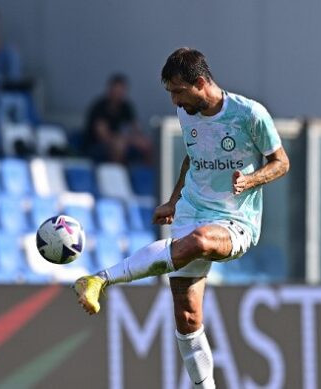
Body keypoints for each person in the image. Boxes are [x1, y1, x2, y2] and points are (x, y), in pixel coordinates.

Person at [73, 48, 290, 388]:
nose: (174, 101)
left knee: (201, 241)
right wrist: (174, 200)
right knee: (187, 317)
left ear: (200, 82)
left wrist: (252, 179)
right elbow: (193, 158)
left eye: (177, 91)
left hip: (236, 218)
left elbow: (281, 162)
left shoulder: (250, 114)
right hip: (191, 207)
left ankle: (102, 279)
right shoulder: (188, 113)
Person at [84, 74, 153, 164]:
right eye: (116, 91)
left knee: (147, 143)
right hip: (97, 145)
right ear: (110, 90)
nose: (118, 94)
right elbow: (103, 136)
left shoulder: (126, 107)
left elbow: (136, 128)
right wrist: (123, 139)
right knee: (119, 145)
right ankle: (119, 174)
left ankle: (147, 174)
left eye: (121, 91)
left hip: (125, 140)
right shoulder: (99, 108)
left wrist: (134, 139)